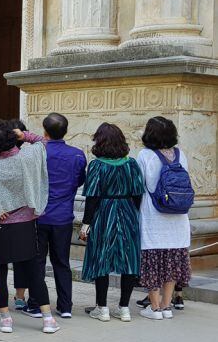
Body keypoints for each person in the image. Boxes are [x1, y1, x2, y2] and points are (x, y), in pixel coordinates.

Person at [0, 119, 59, 334]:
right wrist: (24, 135)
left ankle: (5, 319)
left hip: (0, 225)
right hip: (25, 222)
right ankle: (47, 318)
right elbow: (43, 142)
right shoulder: (27, 157)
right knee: (34, 271)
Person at [80, 123, 145, 323]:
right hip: (127, 212)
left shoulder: (97, 165)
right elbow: (138, 194)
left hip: (104, 213)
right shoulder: (131, 164)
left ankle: (103, 308)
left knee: (102, 259)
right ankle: (124, 308)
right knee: (129, 259)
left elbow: (92, 197)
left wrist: (86, 224)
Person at [29, 113, 87, 319]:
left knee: (37, 261)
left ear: (44, 131)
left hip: (39, 215)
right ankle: (65, 306)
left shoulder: (37, 152)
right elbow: (80, 181)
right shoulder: (78, 155)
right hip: (63, 216)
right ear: (66, 130)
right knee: (62, 262)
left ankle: (36, 304)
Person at [135, 117, 191, 320]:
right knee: (172, 263)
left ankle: (155, 307)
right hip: (178, 218)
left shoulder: (145, 155)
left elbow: (139, 185)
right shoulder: (180, 154)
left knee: (152, 262)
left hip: (153, 217)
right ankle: (167, 306)